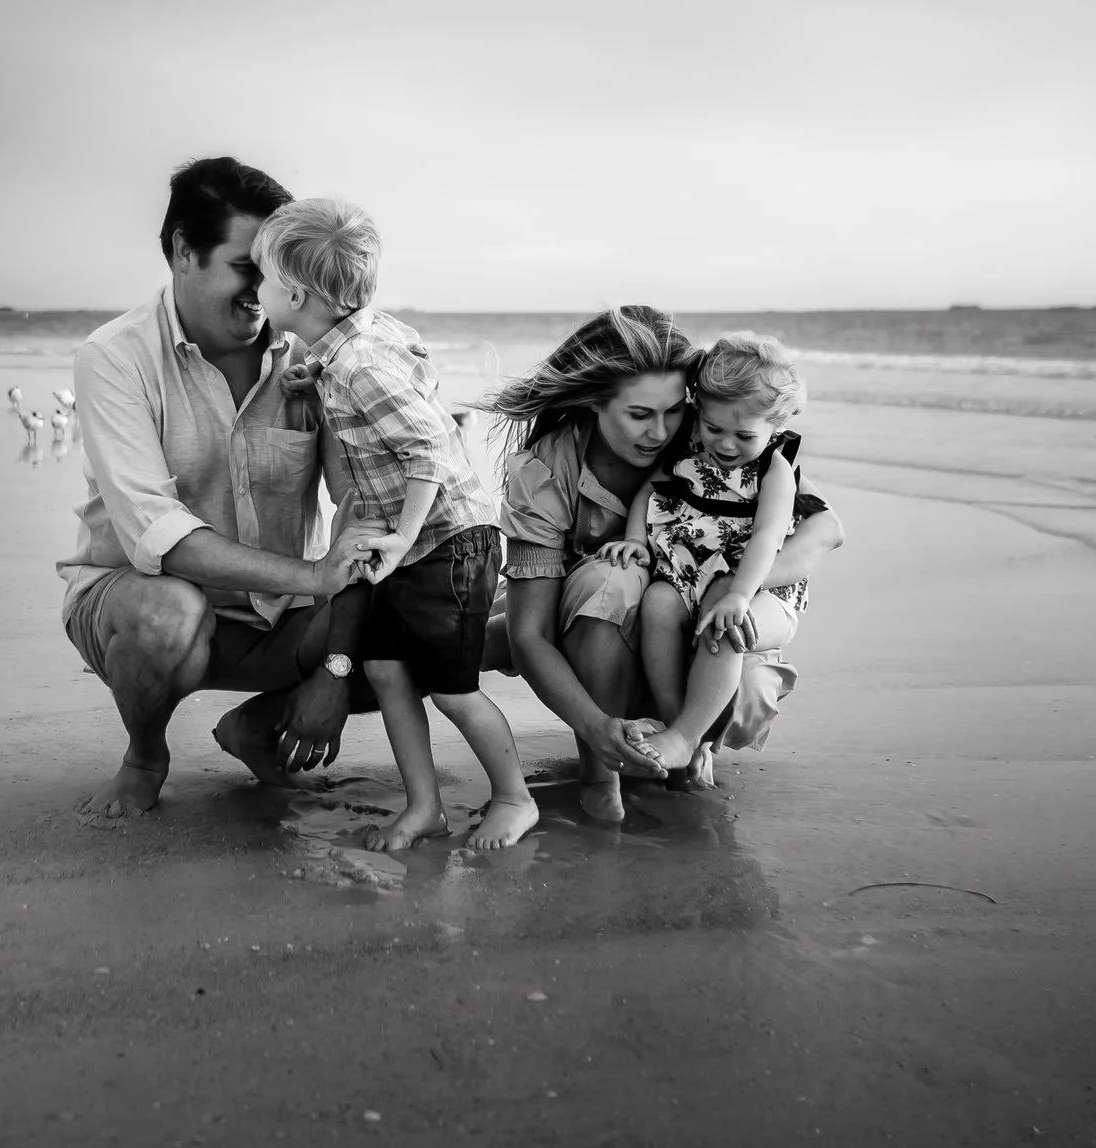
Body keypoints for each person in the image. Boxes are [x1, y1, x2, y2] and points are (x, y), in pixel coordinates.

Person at [60, 158, 383, 818]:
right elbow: (160, 536)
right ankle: (145, 753)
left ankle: (255, 727)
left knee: (427, 609)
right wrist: (316, 575)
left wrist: (337, 667)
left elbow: (362, 518)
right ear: (184, 251)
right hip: (138, 608)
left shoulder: (313, 356)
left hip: (283, 615)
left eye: (278, 271)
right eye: (246, 267)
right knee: (168, 613)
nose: (264, 291)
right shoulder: (115, 356)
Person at [477, 308, 845, 821]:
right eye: (639, 415)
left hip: (695, 615)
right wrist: (593, 726)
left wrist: (733, 584)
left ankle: (686, 741)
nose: (660, 431)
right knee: (557, 604)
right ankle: (601, 769)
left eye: (674, 411)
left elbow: (825, 527)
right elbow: (532, 635)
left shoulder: (715, 432)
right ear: (594, 401)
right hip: (599, 614)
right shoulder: (547, 469)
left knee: (737, 659)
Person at [253, 199, 540, 852]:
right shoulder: (351, 346)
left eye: (263, 277)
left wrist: (405, 538)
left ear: (295, 293)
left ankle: (514, 796)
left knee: (452, 689)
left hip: (447, 544)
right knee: (384, 670)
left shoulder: (359, 367)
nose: (256, 288)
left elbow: (430, 447)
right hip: (407, 544)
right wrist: (312, 377)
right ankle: (425, 805)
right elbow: (408, 354)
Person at [604, 331, 813, 784]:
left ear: (776, 425)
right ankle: (680, 727)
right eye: (714, 428)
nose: (726, 444)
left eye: (744, 435)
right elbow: (650, 490)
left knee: (724, 612)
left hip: (756, 587)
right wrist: (637, 540)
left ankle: (687, 736)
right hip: (687, 572)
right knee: (658, 602)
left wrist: (739, 593)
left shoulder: (774, 467)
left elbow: (767, 535)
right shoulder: (689, 447)